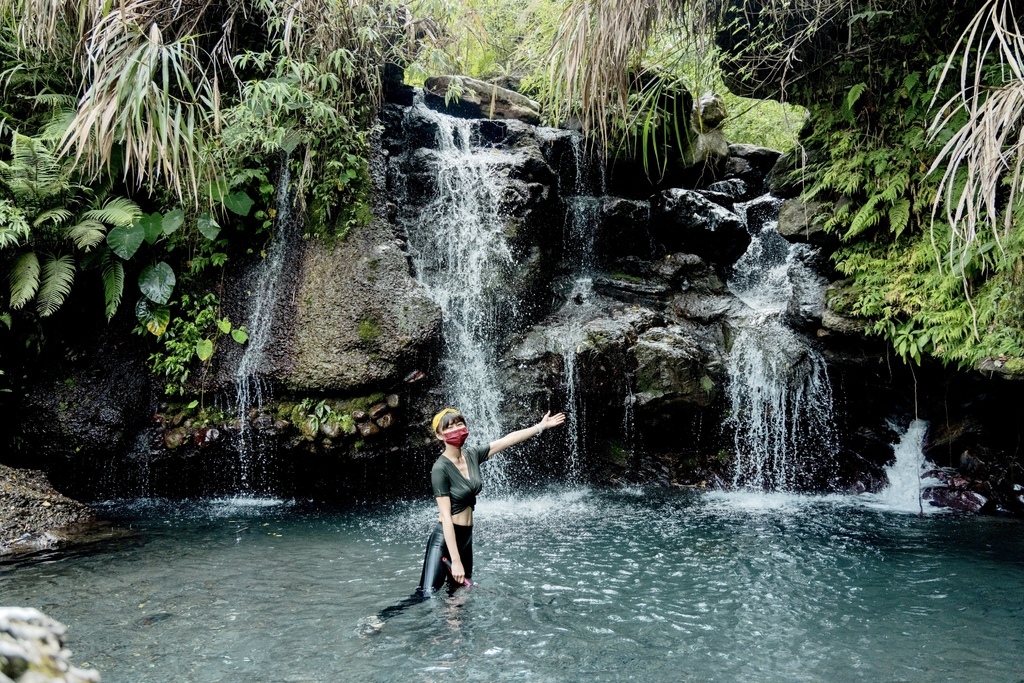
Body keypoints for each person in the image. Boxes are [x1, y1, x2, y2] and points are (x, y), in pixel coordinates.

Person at [417, 407, 566, 595]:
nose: (457, 429)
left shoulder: (472, 455)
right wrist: (455, 561)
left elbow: (508, 440)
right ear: (439, 435)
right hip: (445, 541)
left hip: (465, 536)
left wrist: (540, 426)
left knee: (457, 593)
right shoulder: (440, 468)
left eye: (459, 424)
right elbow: (446, 518)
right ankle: (381, 619)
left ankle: (454, 625)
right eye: (450, 427)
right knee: (425, 594)